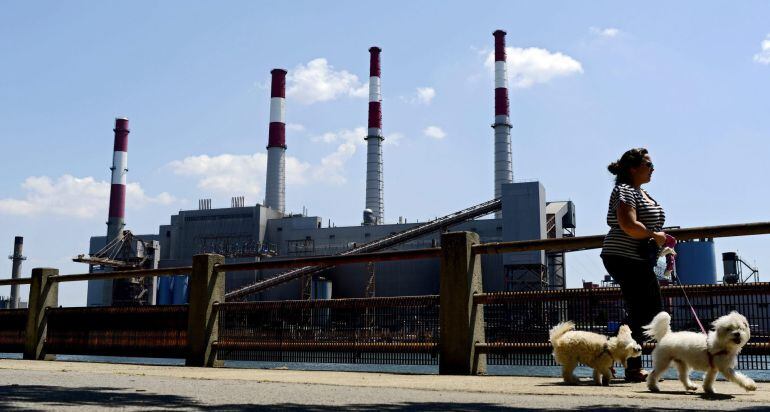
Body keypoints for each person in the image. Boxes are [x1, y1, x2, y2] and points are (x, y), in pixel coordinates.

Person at [600, 147, 666, 382]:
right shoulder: (625, 190)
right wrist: (655, 235)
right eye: (648, 165)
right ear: (633, 168)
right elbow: (628, 225)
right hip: (622, 257)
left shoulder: (641, 192)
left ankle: (613, 353)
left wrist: (658, 240)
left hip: (639, 259)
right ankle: (628, 363)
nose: (652, 169)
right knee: (642, 312)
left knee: (654, 311)